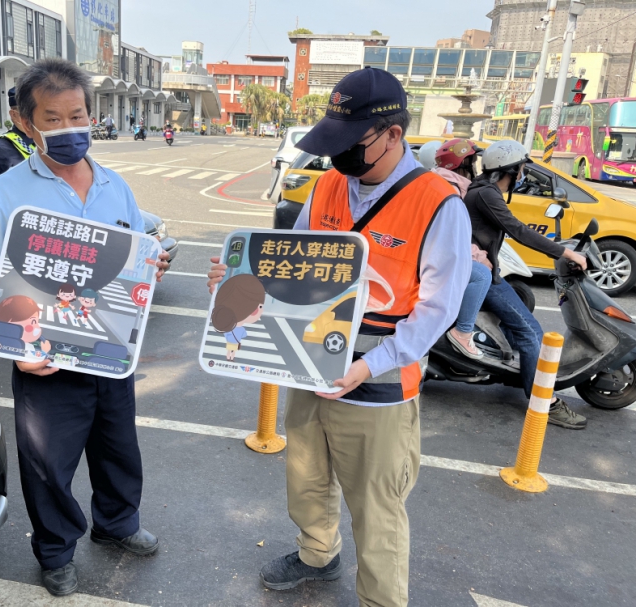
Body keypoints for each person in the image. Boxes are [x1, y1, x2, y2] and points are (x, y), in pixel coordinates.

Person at [207, 67, 472, 607]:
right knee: (307, 480)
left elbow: (436, 312)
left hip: (377, 383)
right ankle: (316, 554)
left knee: (377, 507)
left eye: (351, 141)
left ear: (393, 135)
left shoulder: (438, 204)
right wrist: (237, 279)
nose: (337, 155)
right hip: (310, 365)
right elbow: (293, 268)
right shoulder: (329, 184)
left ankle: (381, 600)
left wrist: (369, 366)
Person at [0, 57, 171, 597]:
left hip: (109, 348)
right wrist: (15, 345)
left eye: (77, 115)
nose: (68, 128)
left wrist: (151, 265)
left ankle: (117, 524)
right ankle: (56, 550)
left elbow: (135, 255)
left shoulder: (114, 186)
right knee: (48, 464)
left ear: (91, 113)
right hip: (45, 357)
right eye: (52, 119)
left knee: (117, 447)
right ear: (26, 123)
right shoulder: (4, 192)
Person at [463, 139, 588, 429]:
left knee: (520, 315)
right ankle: (543, 401)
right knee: (532, 333)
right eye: (520, 169)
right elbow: (517, 229)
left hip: (483, 269)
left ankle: (516, 370)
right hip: (482, 275)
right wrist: (566, 253)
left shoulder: (482, 190)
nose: (522, 175)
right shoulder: (486, 194)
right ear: (510, 170)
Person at [433, 138, 492, 359]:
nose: (475, 167)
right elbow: (453, 237)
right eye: (472, 162)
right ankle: (463, 332)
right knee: (482, 275)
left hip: (430, 250)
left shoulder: (440, 182)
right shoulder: (451, 191)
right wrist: (478, 256)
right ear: (462, 164)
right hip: (434, 255)